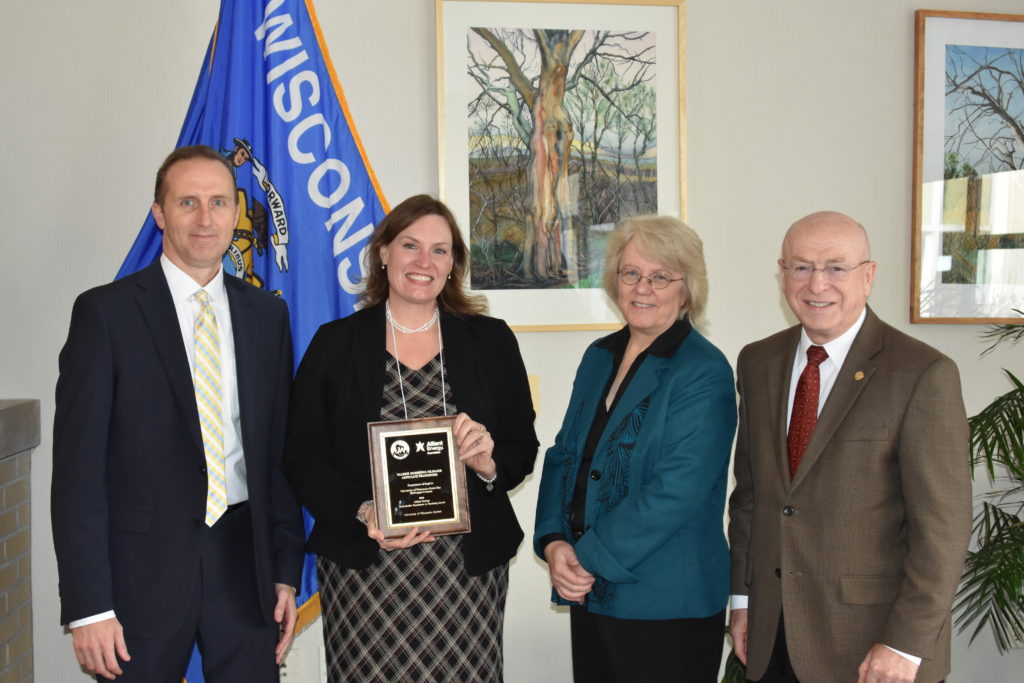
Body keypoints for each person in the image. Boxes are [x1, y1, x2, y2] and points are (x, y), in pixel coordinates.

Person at [51, 145, 306, 681]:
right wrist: (89, 606)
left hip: (246, 571)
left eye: (218, 202)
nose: (205, 217)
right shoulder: (105, 314)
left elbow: (276, 455)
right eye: (187, 202)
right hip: (139, 576)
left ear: (236, 213)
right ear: (159, 213)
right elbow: (77, 475)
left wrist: (285, 571)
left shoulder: (267, 315)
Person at [284, 194, 538, 682]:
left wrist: (487, 463)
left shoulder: (491, 340)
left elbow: (520, 447)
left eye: (440, 250)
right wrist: (364, 511)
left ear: (453, 264)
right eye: (410, 245)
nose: (424, 262)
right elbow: (302, 457)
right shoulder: (335, 343)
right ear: (384, 252)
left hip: (465, 576)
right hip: (367, 567)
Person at [727, 211, 973, 683]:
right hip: (771, 637)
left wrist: (904, 645)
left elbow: (941, 531)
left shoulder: (922, 373)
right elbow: (750, 498)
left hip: (875, 650)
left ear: (868, 276)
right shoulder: (758, 362)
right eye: (801, 267)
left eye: (836, 267)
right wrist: (743, 600)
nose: (817, 284)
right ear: (782, 275)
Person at [534, 216, 737, 682]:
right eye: (631, 273)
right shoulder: (599, 355)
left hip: (667, 602)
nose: (642, 288)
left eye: (660, 276)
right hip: (589, 589)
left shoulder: (704, 372)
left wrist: (583, 559)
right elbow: (564, 455)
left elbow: (675, 492)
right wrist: (554, 542)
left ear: (686, 290)